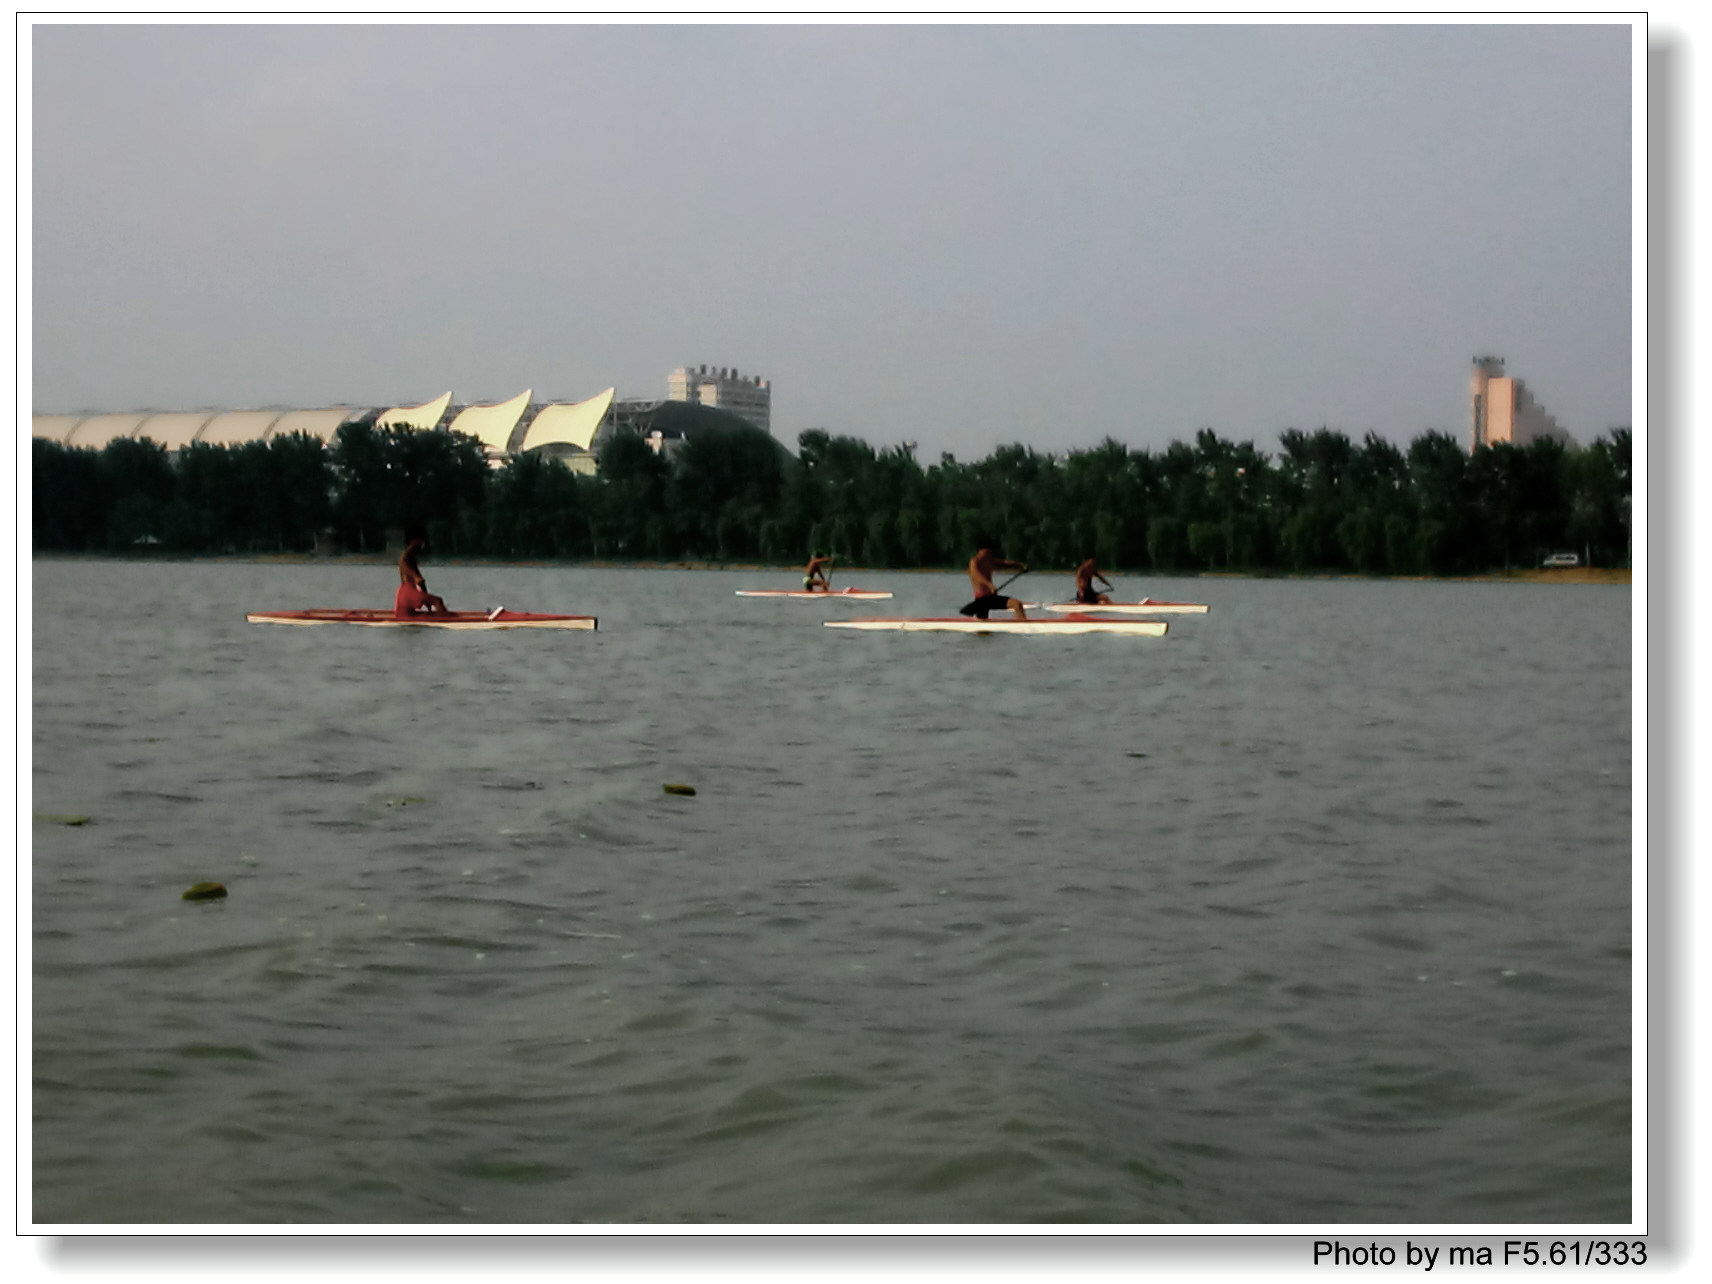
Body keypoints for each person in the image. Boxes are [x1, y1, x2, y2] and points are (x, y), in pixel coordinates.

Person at [959, 540, 1028, 620]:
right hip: (982, 599)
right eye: (987, 552)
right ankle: (1022, 624)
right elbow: (977, 576)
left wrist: (1020, 565)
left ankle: (1022, 622)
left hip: (990, 597)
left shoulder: (989, 560)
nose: (989, 555)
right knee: (1016, 604)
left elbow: (1005, 563)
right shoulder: (974, 561)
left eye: (990, 552)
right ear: (980, 551)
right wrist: (990, 585)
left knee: (1017, 604)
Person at [395, 534, 450, 618]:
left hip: (404, 593)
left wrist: (426, 599)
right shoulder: (406, 562)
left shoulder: (407, 560)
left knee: (409, 614)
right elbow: (420, 581)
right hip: (408, 593)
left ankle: (442, 617)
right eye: (420, 545)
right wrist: (427, 598)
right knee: (437, 601)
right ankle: (446, 620)